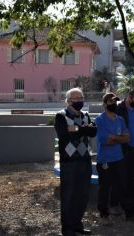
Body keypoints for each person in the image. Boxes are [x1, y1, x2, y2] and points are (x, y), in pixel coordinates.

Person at [95, 93, 134, 224]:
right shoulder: (99, 120)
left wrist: (115, 138)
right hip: (105, 160)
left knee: (124, 187)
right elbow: (105, 140)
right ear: (105, 104)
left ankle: (130, 213)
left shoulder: (120, 119)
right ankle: (104, 215)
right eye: (111, 102)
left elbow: (127, 138)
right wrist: (119, 138)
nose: (114, 104)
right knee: (105, 188)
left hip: (119, 158)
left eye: (115, 102)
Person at [54, 88, 97, 235]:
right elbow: (64, 135)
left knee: (83, 195)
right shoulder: (61, 116)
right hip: (69, 162)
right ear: (68, 101)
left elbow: (93, 131)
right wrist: (82, 129)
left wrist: (77, 129)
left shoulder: (85, 115)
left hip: (85, 160)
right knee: (69, 196)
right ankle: (67, 229)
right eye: (76, 98)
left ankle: (77, 225)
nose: (80, 100)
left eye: (81, 97)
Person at [112, 88, 134, 211]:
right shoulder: (118, 109)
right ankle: (116, 204)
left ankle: (131, 202)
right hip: (122, 149)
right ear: (130, 97)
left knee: (133, 178)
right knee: (119, 178)